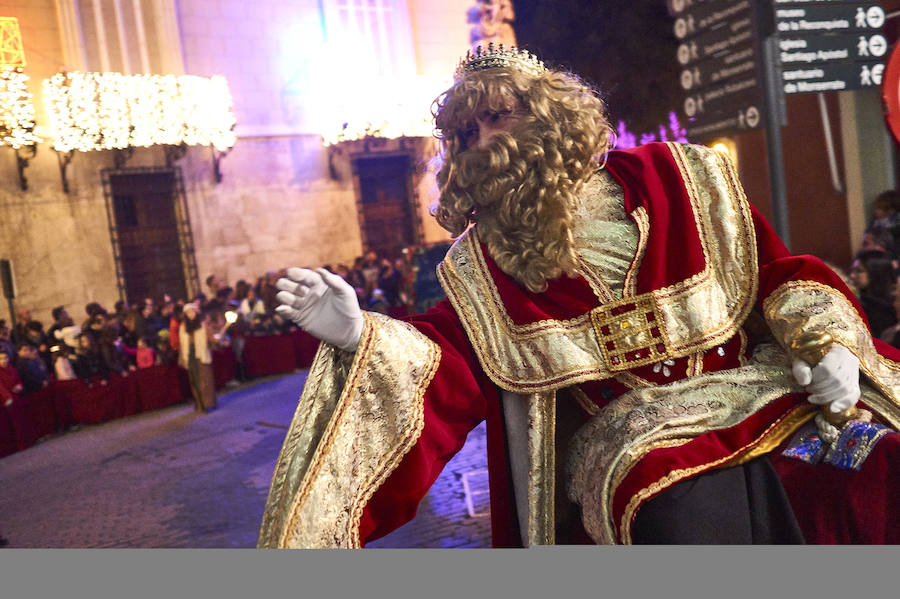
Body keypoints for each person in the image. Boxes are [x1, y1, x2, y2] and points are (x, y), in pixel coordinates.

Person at [258, 45, 900, 548]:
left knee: (875, 462)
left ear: (550, 110)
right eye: (463, 134)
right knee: (676, 492)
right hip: (630, 453)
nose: (482, 140)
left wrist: (831, 348)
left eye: (495, 115)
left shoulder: (680, 177)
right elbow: (446, 363)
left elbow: (779, 273)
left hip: (759, 402)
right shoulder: (481, 266)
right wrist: (358, 334)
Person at [178, 303, 216, 413]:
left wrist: (216, 342)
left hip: (201, 354)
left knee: (205, 380)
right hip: (190, 356)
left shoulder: (203, 324)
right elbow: (182, 344)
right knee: (195, 381)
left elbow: (210, 339)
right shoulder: (183, 327)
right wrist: (182, 358)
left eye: (192, 311)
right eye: (188, 312)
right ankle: (199, 403)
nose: (191, 314)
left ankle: (207, 403)